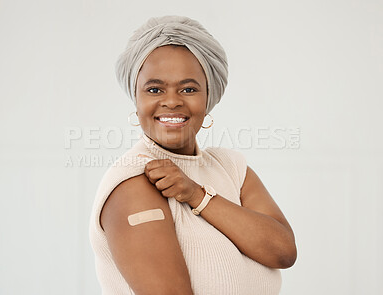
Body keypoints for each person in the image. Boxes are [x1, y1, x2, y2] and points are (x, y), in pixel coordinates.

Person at [89, 15, 297, 295]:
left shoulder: (230, 167)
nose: (172, 101)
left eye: (188, 89)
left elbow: (283, 252)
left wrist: (196, 194)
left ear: (208, 97)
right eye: (154, 89)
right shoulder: (134, 181)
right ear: (136, 99)